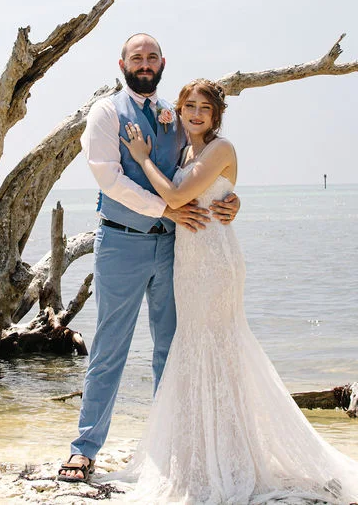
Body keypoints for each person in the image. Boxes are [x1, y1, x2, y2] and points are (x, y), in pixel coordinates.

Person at [111, 78, 358, 504]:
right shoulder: (185, 151)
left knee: (219, 346)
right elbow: (205, 195)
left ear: (216, 115)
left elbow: (179, 195)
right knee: (195, 347)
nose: (196, 114)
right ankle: (198, 450)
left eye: (205, 108)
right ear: (180, 112)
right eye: (189, 107)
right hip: (188, 262)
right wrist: (229, 198)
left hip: (216, 264)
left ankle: (233, 453)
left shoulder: (221, 149)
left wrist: (143, 158)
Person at [57, 34, 240, 483]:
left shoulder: (176, 119)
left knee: (171, 348)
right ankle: (84, 448)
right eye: (136, 57)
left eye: (151, 57)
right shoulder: (105, 113)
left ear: (162, 63)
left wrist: (233, 200)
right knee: (109, 348)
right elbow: (108, 178)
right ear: (122, 62)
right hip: (122, 243)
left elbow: (201, 171)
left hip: (178, 247)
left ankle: (171, 446)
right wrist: (166, 208)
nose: (144, 63)